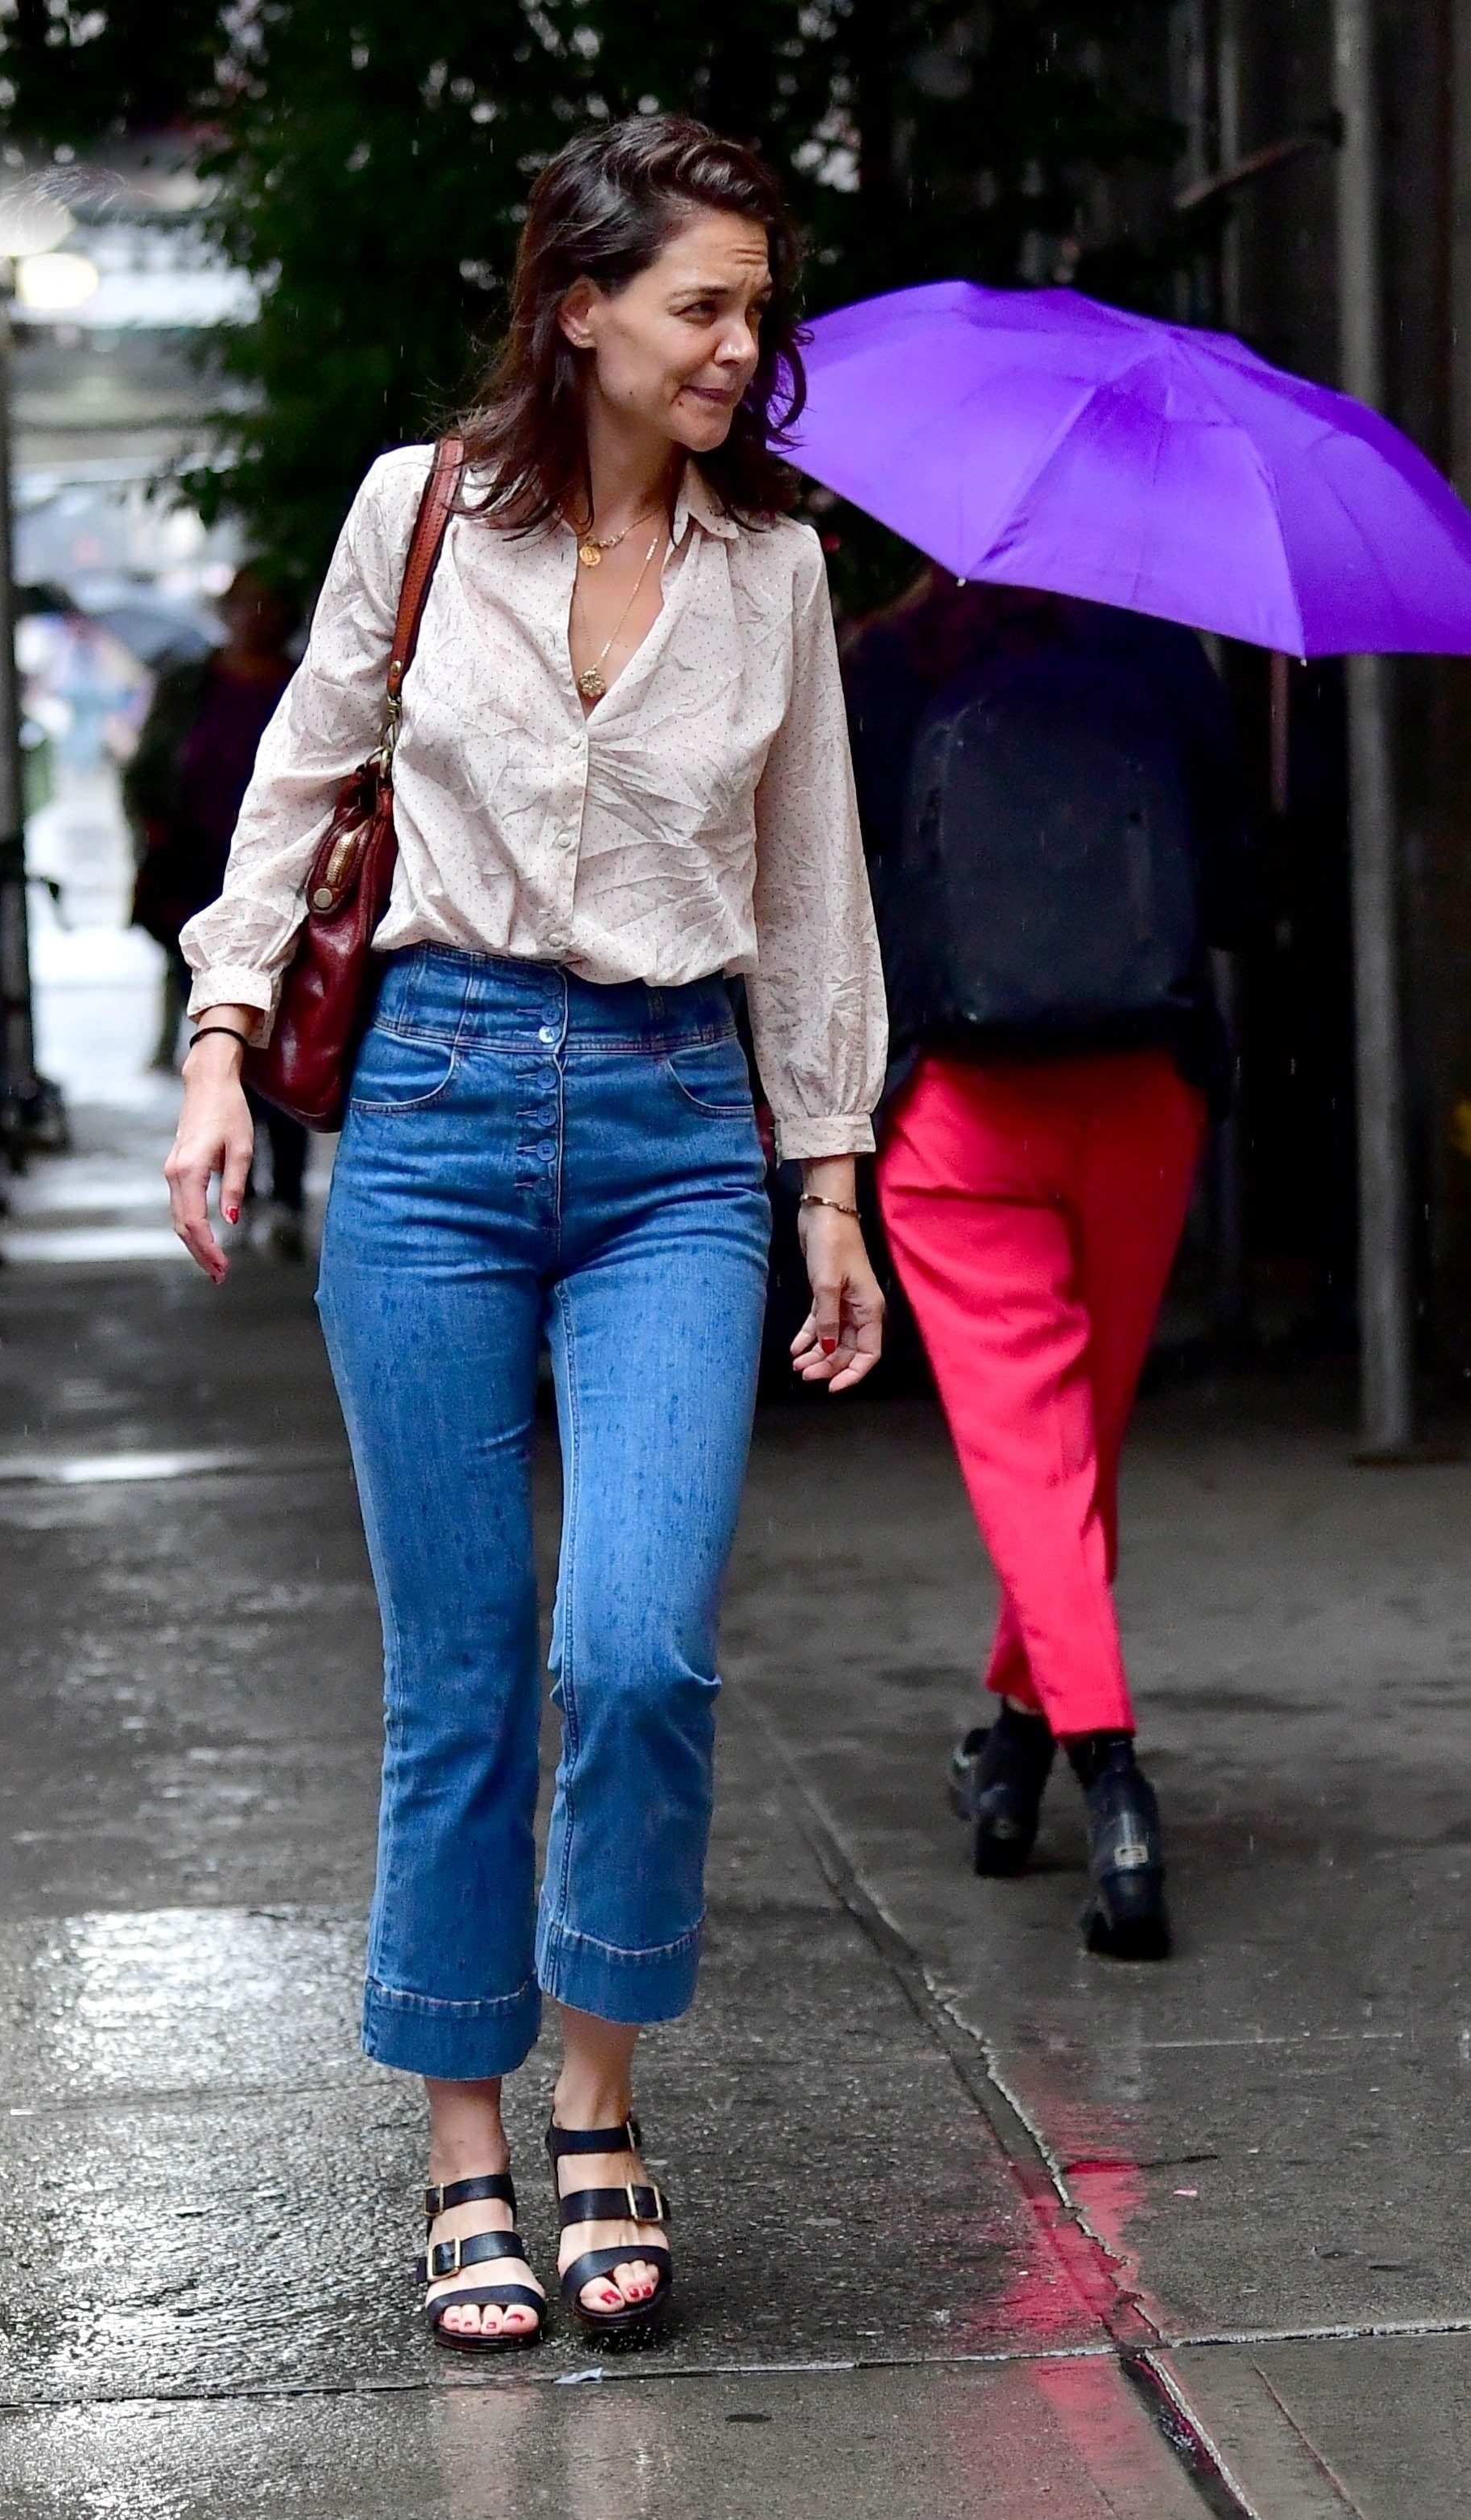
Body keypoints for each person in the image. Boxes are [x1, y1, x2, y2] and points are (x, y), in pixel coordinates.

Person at [165, 116, 888, 2351]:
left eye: (753, 308)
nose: (738, 345)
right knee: (465, 1665)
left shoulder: (771, 570)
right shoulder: (418, 514)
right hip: (436, 1116)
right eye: (703, 305)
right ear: (579, 306)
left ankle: (604, 2099)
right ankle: (470, 2144)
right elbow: (297, 779)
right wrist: (217, 1031)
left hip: (678, 1132)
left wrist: (829, 1173)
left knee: (639, 1647)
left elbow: (806, 886)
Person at [848, 567, 1251, 1963]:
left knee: (1035, 1463)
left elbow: (821, 902)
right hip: (1137, 1098)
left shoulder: (885, 667)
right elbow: (1242, 889)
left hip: (957, 1110)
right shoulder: (1159, 652)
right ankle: (1010, 1752)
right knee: (1072, 1459)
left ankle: (1108, 1781)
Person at [126, 569, 312, 1257]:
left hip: (290, 884)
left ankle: (282, 1189)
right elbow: (150, 770)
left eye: (271, 601)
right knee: (215, 1033)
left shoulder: (304, 683)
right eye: (246, 602)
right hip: (200, 879)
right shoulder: (190, 687)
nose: (257, 615)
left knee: (282, 1039)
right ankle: (247, 1182)